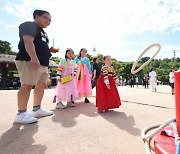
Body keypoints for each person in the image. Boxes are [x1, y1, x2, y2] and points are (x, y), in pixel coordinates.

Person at [14, 10, 53, 124]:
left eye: (50, 20)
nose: (48, 21)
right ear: (36, 16)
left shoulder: (44, 33)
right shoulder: (29, 25)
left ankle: (37, 109)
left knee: (41, 85)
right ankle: (21, 113)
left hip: (43, 63)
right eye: (45, 18)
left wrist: (49, 50)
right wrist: (34, 58)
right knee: (27, 85)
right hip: (29, 60)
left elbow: (40, 45)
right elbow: (28, 42)